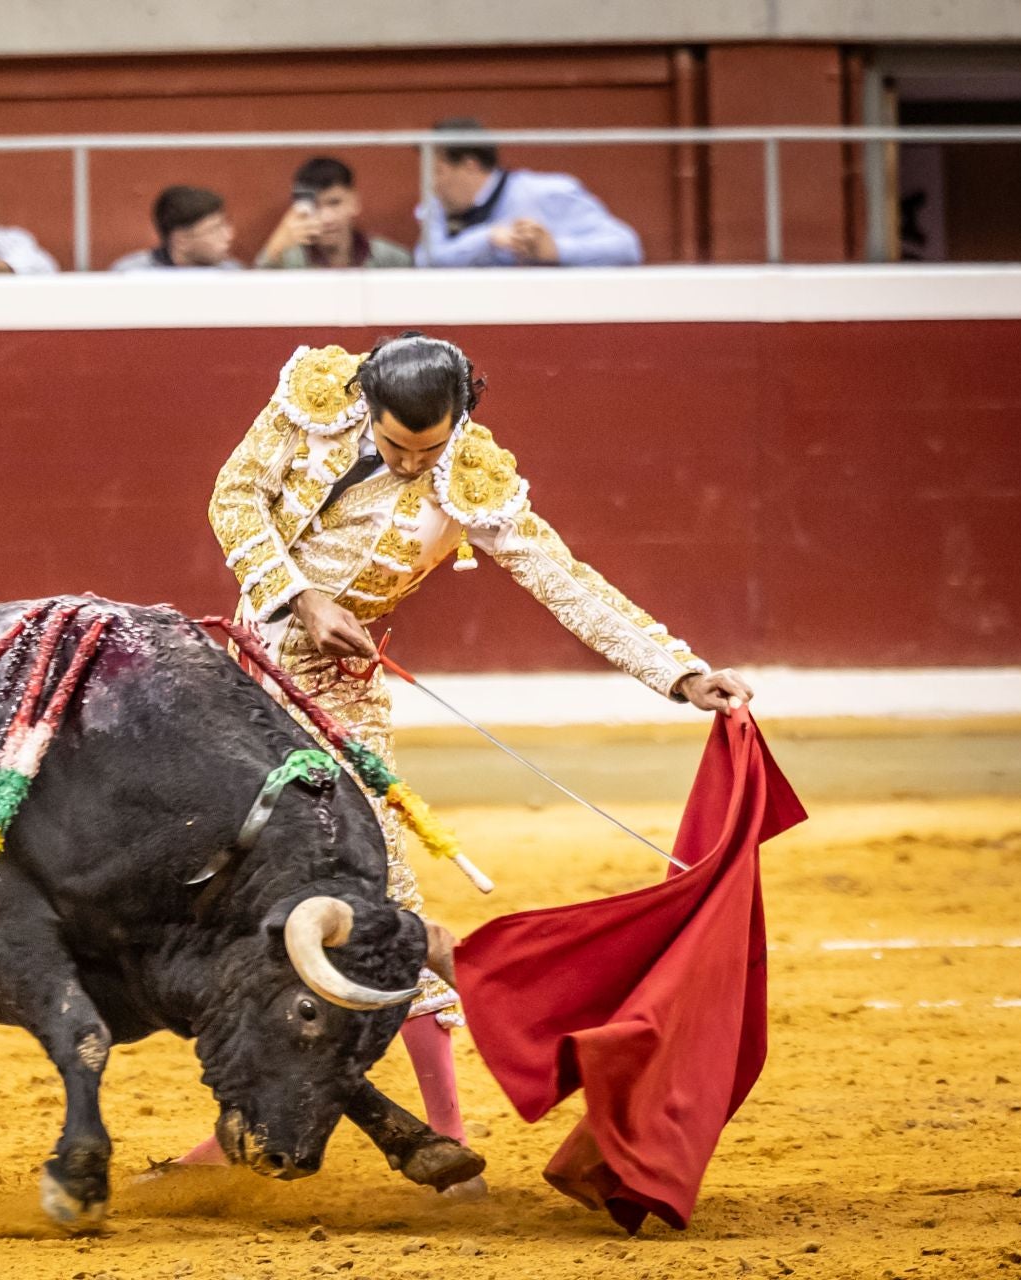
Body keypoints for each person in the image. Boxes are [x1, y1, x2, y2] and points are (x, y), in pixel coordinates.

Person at [200, 334, 752, 1190]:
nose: (413, 463)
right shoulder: (312, 399)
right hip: (233, 684)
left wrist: (677, 671)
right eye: (394, 447)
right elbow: (235, 497)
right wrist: (302, 597)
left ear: (461, 418)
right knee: (226, 904)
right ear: (364, 405)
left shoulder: (472, 477)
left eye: (429, 448)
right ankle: (241, 1120)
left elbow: (564, 580)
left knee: (386, 896)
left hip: (339, 696)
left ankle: (447, 1136)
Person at [415, 118, 643, 267]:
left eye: (438, 171)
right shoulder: (437, 206)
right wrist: (487, 239)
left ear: (470, 166)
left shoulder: (547, 193)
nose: (432, 183)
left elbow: (626, 248)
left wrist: (556, 250)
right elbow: (425, 261)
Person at [255, 156, 412, 270]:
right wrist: (274, 250)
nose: (326, 218)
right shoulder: (287, 261)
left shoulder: (392, 259)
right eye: (315, 207)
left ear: (354, 202)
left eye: (335, 203)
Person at [110, 185, 242, 271]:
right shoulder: (131, 273)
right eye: (214, 230)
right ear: (181, 240)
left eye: (225, 225)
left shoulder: (233, 273)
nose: (229, 236)